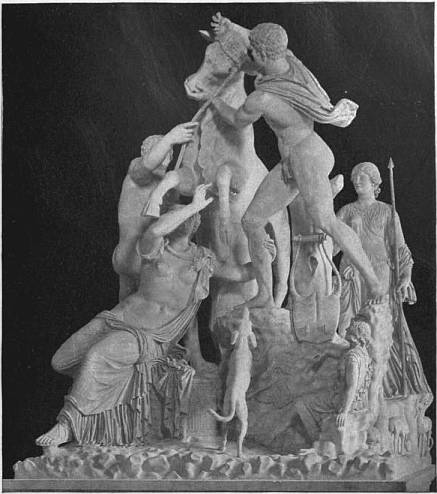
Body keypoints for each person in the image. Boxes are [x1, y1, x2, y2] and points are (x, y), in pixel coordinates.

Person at [36, 185, 263, 448]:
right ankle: (106, 395)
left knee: (97, 356)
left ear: (196, 223)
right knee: (61, 361)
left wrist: (264, 253)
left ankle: (67, 425)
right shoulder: (154, 246)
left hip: (149, 335)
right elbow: (156, 230)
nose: (184, 219)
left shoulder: (204, 259)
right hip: (117, 319)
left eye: (190, 216)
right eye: (176, 214)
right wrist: (193, 205)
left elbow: (241, 274)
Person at [210, 14, 384, 308]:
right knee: (252, 221)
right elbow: (262, 40)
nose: (249, 55)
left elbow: (238, 120)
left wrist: (214, 100)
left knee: (325, 220)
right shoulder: (290, 62)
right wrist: (230, 27)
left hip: (308, 156)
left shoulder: (262, 98)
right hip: (296, 159)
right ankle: (264, 295)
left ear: (262, 54)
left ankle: (373, 281)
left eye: (252, 51)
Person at [336, 162, 432, 398]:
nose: (356, 181)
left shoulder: (388, 212)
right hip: (352, 274)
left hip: (380, 276)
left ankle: (381, 388)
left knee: (379, 329)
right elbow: (332, 243)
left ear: (375, 182)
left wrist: (406, 277)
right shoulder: (346, 211)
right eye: (354, 178)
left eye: (362, 178)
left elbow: (400, 250)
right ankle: (350, 385)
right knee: (348, 327)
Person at [114, 121, 198, 301]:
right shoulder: (137, 172)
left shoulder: (170, 188)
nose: (168, 153)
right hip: (136, 256)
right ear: (146, 152)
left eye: (170, 151)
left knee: (130, 309)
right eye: (162, 149)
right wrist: (170, 138)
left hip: (147, 257)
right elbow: (147, 165)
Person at [289, 318, 373, 444]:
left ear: (355, 336)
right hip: (359, 402)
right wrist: (324, 356)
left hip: (343, 401)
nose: (346, 329)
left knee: (301, 403)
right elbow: (338, 354)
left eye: (349, 329)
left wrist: (344, 412)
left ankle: (316, 439)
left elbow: (351, 386)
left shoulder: (352, 358)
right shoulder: (362, 353)